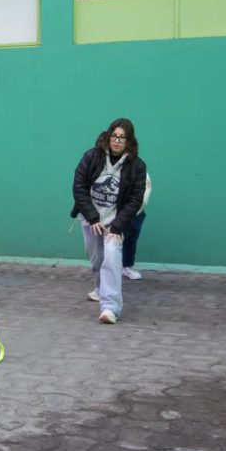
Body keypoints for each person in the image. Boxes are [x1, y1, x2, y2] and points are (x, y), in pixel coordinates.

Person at [71, 118, 147, 324]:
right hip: (92, 220)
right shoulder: (91, 156)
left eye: (122, 137)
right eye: (114, 135)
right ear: (108, 136)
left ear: (129, 141)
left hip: (115, 223)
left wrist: (118, 226)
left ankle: (110, 308)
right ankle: (100, 288)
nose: (117, 140)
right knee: (97, 260)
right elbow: (79, 187)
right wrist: (92, 217)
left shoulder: (137, 166)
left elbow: (135, 199)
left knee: (112, 258)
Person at [121, 173, 152, 280]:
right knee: (110, 241)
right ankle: (107, 269)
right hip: (115, 212)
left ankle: (127, 267)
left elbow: (146, 188)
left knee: (131, 240)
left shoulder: (140, 169)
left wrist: (136, 209)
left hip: (137, 212)